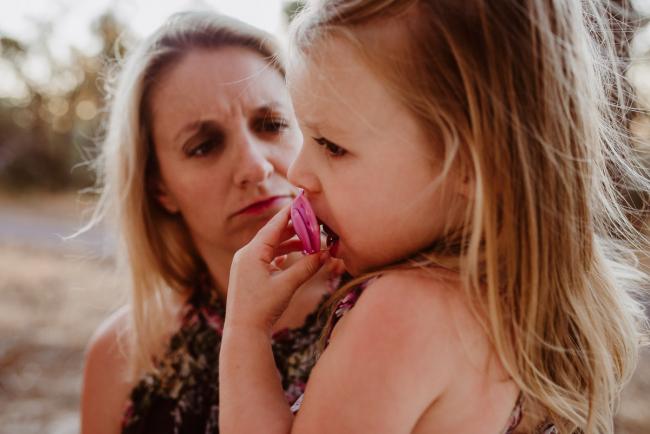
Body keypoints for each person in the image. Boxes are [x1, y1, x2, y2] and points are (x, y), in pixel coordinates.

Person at [219, 0, 650, 433]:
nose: (297, 173)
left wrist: (246, 329)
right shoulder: (520, 308)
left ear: (472, 164)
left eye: (332, 145)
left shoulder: (405, 313)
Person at [79, 11, 339, 434]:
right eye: (204, 146)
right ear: (159, 188)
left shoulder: (384, 308)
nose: (254, 167)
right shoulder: (120, 357)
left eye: (272, 125)